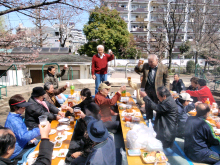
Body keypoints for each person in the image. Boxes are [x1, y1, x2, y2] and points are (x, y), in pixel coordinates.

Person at [4, 95, 40, 159]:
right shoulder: (14, 121)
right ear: (15, 108)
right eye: (23, 107)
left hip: (23, 144)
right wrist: (39, 129)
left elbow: (21, 133)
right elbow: (24, 137)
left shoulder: (16, 116)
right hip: (18, 151)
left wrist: (30, 138)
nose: (25, 108)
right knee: (42, 149)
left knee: (42, 142)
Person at [135, 54, 170, 120]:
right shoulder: (146, 65)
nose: (150, 63)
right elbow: (138, 70)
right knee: (148, 106)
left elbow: (167, 79)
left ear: (157, 60)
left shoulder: (163, 67)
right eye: (149, 61)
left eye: (151, 62)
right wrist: (138, 65)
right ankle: (149, 119)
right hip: (147, 89)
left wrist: (166, 91)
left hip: (158, 90)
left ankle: (159, 121)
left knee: (158, 106)